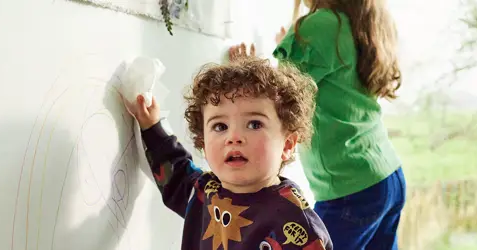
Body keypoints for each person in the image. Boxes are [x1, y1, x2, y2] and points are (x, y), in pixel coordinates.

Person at [229, 0, 406, 249]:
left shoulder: (319, 25)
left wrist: (243, 72)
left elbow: (281, 102)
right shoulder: (359, 25)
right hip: (387, 177)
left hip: (350, 190)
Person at [122, 57, 332, 250]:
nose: (234, 137)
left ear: (287, 146)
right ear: (203, 143)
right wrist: (152, 126)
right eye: (220, 126)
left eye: (254, 124)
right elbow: (174, 171)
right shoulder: (203, 192)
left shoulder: (296, 223)